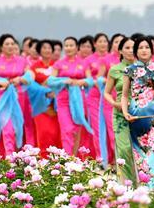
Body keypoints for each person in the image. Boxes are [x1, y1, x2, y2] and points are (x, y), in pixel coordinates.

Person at [122, 37, 154, 188]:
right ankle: (144, 188)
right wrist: (126, 112)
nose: (144, 50)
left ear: (152, 50)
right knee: (139, 154)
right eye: (140, 48)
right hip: (136, 117)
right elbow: (125, 95)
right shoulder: (129, 70)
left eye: (147, 47)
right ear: (135, 51)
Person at [0, 34, 35, 153]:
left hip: (18, 98)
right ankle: (10, 160)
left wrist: (20, 79)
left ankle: (12, 157)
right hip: (2, 99)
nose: (10, 46)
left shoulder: (22, 61)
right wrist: (2, 81)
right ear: (1, 47)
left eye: (12, 44)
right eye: (7, 44)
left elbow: (30, 76)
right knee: (8, 130)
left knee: (17, 129)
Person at [50, 37, 95, 158]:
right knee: (67, 129)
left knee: (76, 129)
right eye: (67, 45)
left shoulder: (83, 63)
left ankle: (74, 158)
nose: (69, 48)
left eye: (71, 45)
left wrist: (80, 82)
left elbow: (90, 80)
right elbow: (50, 80)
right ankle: (67, 158)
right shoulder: (59, 63)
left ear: (76, 48)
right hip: (63, 99)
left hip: (78, 100)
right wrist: (64, 80)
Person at [103, 36, 137, 184]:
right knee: (124, 149)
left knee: (139, 150)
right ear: (120, 51)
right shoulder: (115, 70)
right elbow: (106, 92)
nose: (130, 51)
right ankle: (128, 183)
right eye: (127, 48)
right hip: (119, 114)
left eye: (133, 47)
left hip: (139, 114)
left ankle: (142, 181)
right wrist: (114, 104)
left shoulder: (142, 68)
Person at [85, 33, 116, 166]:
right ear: (94, 43)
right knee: (98, 128)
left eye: (105, 41)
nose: (103, 44)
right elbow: (90, 79)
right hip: (95, 97)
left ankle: (114, 158)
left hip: (111, 96)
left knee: (112, 127)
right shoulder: (89, 60)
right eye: (100, 41)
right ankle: (101, 158)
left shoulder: (112, 58)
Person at [29, 39, 62, 155]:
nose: (47, 50)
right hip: (41, 105)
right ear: (39, 50)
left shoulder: (58, 66)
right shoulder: (34, 67)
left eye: (49, 48)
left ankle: (59, 162)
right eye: (44, 48)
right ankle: (43, 160)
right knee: (44, 133)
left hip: (57, 106)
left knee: (57, 133)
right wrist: (44, 90)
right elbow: (30, 84)